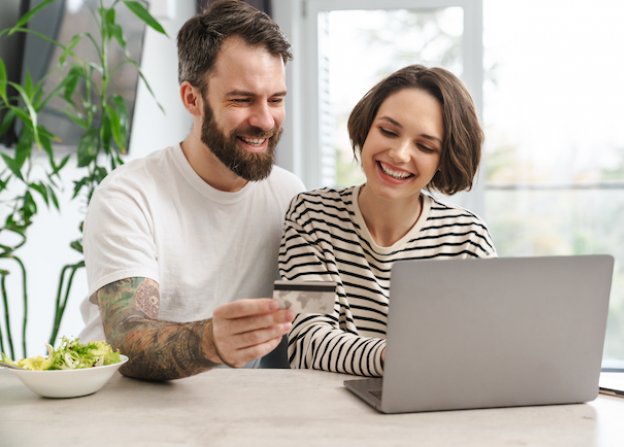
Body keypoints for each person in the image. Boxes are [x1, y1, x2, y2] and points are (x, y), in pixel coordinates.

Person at [79, 0, 304, 381]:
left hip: (225, 414)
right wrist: (210, 341)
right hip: (121, 408)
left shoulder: (288, 195)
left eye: (276, 100)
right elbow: (125, 336)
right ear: (192, 99)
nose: (265, 120)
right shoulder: (129, 196)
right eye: (242, 99)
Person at [278, 65, 497, 377]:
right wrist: (393, 356)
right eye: (389, 131)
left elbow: (485, 351)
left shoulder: (467, 238)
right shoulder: (310, 215)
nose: (399, 154)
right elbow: (304, 343)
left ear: (442, 159)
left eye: (425, 146)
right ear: (366, 129)